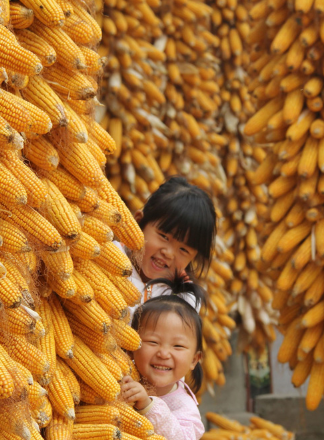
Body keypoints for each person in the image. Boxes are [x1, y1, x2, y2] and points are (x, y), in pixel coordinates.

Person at [114, 176, 217, 316]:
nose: (168, 253)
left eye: (183, 250)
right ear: (138, 222)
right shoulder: (109, 258)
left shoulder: (183, 300)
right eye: (164, 237)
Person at [120, 280, 206, 440]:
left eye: (178, 346)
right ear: (131, 347)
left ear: (194, 359)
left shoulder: (184, 405)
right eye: (153, 342)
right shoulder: (121, 377)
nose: (164, 353)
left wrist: (149, 406)